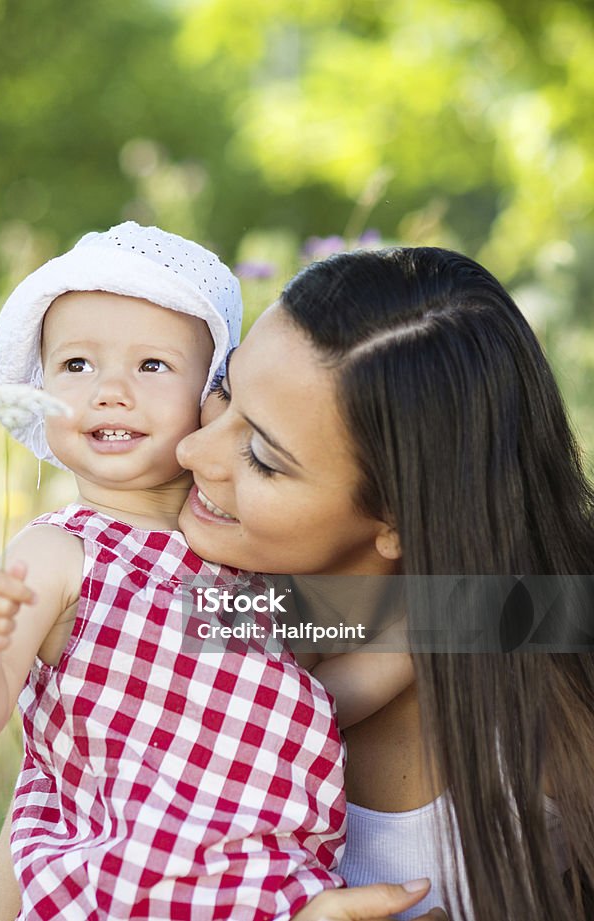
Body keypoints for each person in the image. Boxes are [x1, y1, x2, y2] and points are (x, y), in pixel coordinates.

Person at [0, 223, 349, 920]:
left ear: (211, 391)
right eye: (75, 365)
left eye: (151, 366)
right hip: (120, 894)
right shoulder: (63, 553)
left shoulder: (232, 555)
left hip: (261, 892)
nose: (110, 391)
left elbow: (353, 647)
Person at [175, 245, 594, 921]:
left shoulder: (548, 721)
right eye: (222, 388)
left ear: (398, 514)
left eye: (261, 457)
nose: (189, 451)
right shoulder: (154, 591)